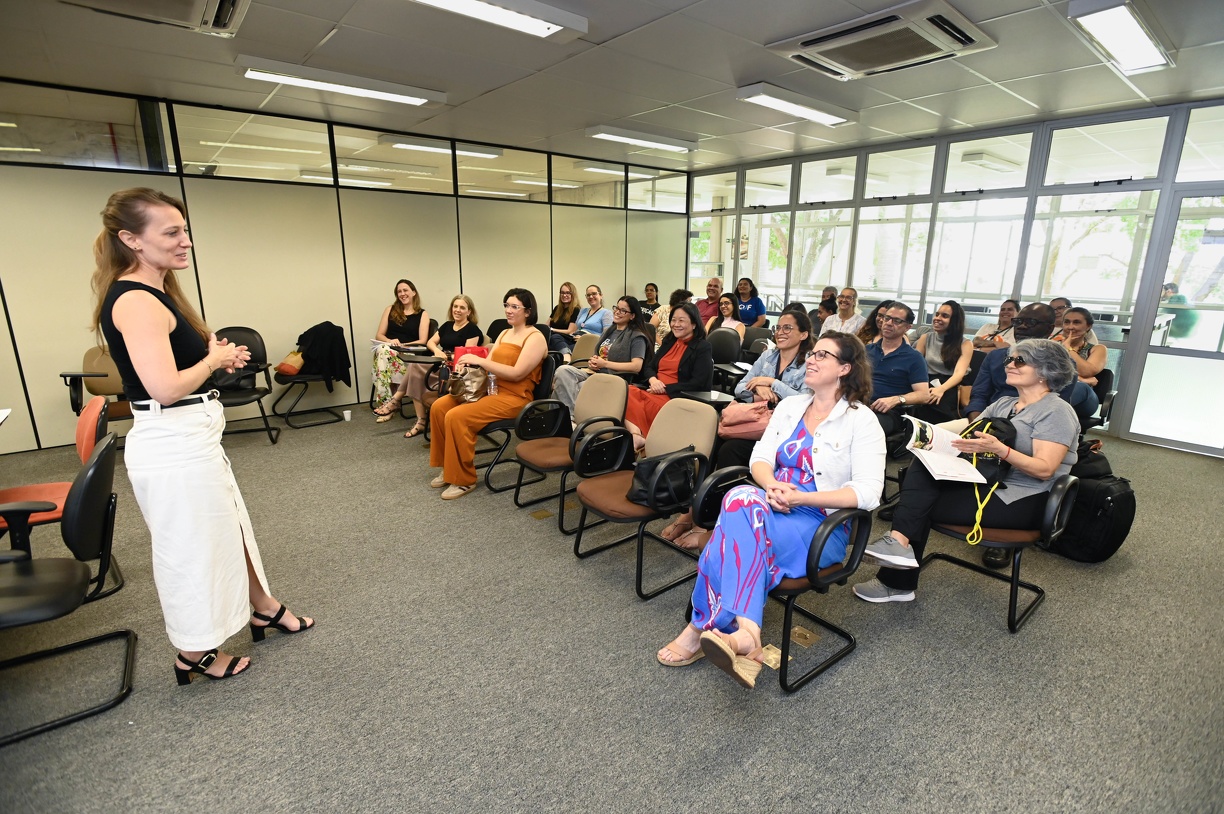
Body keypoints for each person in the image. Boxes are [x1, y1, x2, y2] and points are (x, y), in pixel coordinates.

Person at [92, 188, 313, 685]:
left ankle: (264, 607)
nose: (185, 241)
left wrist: (216, 361)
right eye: (171, 232)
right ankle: (194, 653)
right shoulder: (136, 300)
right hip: (173, 444)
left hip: (191, 439)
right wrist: (211, 362)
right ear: (132, 240)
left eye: (185, 229)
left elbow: (176, 369)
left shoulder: (157, 292)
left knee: (230, 528)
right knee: (192, 549)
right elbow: (165, 388)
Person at [655, 332, 885, 688]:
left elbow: (869, 493)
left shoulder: (862, 420)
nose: (811, 358)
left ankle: (701, 627)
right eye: (813, 352)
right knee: (740, 499)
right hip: (769, 502)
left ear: (845, 368)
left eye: (823, 355)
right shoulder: (792, 407)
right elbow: (760, 458)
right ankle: (746, 631)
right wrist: (771, 486)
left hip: (820, 522)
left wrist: (799, 498)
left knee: (730, 526)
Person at [854, 339, 1079, 603]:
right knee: (922, 468)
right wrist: (932, 440)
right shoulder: (1003, 404)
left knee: (917, 504)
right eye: (1010, 359)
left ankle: (897, 570)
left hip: (1023, 499)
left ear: (1045, 371)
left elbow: (1045, 469)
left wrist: (1001, 450)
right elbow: (968, 441)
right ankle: (898, 548)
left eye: (1020, 360)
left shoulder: (1057, 411)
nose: (1010, 365)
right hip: (987, 483)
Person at [660, 310, 816, 551]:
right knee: (711, 440)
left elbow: (806, 401)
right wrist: (758, 391)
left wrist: (773, 384)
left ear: (804, 334)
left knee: (730, 450)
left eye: (788, 328)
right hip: (755, 421)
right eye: (779, 327)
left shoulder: (810, 364)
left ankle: (706, 520)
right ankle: (693, 511)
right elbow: (740, 387)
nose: (780, 332)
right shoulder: (768, 356)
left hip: (785, 433)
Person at [429, 288, 547, 500]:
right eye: (506, 305)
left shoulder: (535, 337)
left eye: (514, 307)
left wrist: (481, 361)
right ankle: (449, 467)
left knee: (457, 416)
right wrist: (466, 370)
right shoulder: (504, 333)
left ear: (528, 312)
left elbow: (517, 373)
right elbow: (488, 367)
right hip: (491, 390)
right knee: (440, 407)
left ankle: (464, 479)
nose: (508, 310)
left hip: (515, 398)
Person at [379, 294, 482, 438]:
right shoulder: (447, 325)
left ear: (469, 312)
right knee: (414, 368)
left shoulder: (472, 330)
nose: (457, 310)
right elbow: (430, 342)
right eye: (455, 306)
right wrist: (437, 351)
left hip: (455, 372)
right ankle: (418, 418)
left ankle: (397, 401)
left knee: (415, 371)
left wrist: (447, 356)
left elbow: (466, 357)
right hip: (440, 365)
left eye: (462, 308)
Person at [624, 302, 713, 449]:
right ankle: (636, 436)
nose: (676, 324)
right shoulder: (669, 340)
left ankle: (638, 437)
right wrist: (653, 380)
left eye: (681, 320)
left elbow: (699, 383)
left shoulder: (702, 347)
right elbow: (650, 367)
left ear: (694, 324)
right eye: (673, 320)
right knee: (624, 391)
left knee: (629, 394)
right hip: (653, 389)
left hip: (675, 396)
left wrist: (664, 388)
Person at [552, 295, 652, 415]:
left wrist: (605, 363)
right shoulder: (610, 331)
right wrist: (593, 362)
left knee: (575, 387)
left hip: (615, 377)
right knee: (562, 371)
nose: (617, 312)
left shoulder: (637, 336)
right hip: (596, 372)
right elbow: (600, 355)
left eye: (623, 310)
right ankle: (569, 417)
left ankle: (569, 418)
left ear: (632, 316)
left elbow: (636, 366)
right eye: (616, 308)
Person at [866, 303, 930, 436]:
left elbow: (924, 395)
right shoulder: (866, 350)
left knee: (865, 428)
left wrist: (896, 399)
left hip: (888, 412)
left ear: (908, 327)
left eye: (897, 321)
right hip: (859, 404)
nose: (889, 323)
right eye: (887, 318)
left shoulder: (914, 357)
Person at [372, 279, 430, 412]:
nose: (402, 294)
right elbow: (379, 335)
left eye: (405, 290)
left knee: (383, 353)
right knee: (383, 350)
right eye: (399, 291)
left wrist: (403, 344)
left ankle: (387, 403)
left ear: (413, 292)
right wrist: (390, 341)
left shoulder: (422, 314)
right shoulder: (390, 310)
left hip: (407, 353)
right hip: (388, 350)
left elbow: (422, 340)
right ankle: (389, 402)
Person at [911, 300, 974, 422]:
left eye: (944, 316)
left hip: (951, 383)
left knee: (936, 404)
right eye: (937, 314)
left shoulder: (965, 343)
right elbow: (916, 366)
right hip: (927, 379)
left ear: (954, 321)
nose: (937, 318)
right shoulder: (925, 338)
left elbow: (959, 374)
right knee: (918, 400)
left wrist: (941, 389)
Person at [1052, 306, 1107, 387]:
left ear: (1088, 326)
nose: (1070, 327)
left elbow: (1087, 372)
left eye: (1076, 322)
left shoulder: (1098, 349)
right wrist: (1081, 379)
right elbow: (1044, 372)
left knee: (1081, 387)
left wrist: (1068, 348)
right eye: (1067, 322)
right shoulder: (1052, 345)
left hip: (1082, 392)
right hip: (1054, 389)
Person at [545, 281, 581, 357]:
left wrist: (552, 330)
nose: (564, 295)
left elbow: (570, 331)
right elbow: (546, 325)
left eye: (568, 293)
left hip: (565, 339)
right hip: (553, 338)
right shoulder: (557, 308)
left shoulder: (576, 309)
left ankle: (566, 356)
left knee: (554, 337)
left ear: (573, 294)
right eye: (562, 292)